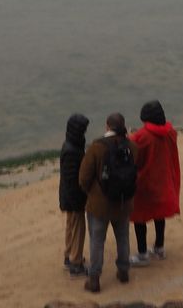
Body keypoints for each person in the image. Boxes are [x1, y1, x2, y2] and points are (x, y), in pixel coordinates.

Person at [79, 112, 138, 293]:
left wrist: (92, 192)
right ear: (123, 126)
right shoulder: (132, 147)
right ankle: (123, 271)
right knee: (123, 237)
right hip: (123, 201)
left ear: (107, 126)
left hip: (100, 204)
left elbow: (84, 177)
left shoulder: (97, 147)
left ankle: (95, 278)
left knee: (97, 240)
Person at [129, 100, 181, 265]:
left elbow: (133, 152)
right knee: (159, 215)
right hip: (163, 179)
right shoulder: (170, 132)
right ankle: (159, 248)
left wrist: (130, 136)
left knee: (139, 217)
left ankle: (142, 254)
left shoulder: (142, 136)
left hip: (145, 181)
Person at [59, 113, 89, 276]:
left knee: (71, 227)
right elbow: (71, 179)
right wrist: (78, 200)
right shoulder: (72, 151)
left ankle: (69, 256)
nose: (85, 132)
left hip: (69, 196)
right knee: (78, 229)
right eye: (83, 130)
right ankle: (76, 263)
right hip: (73, 197)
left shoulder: (70, 145)